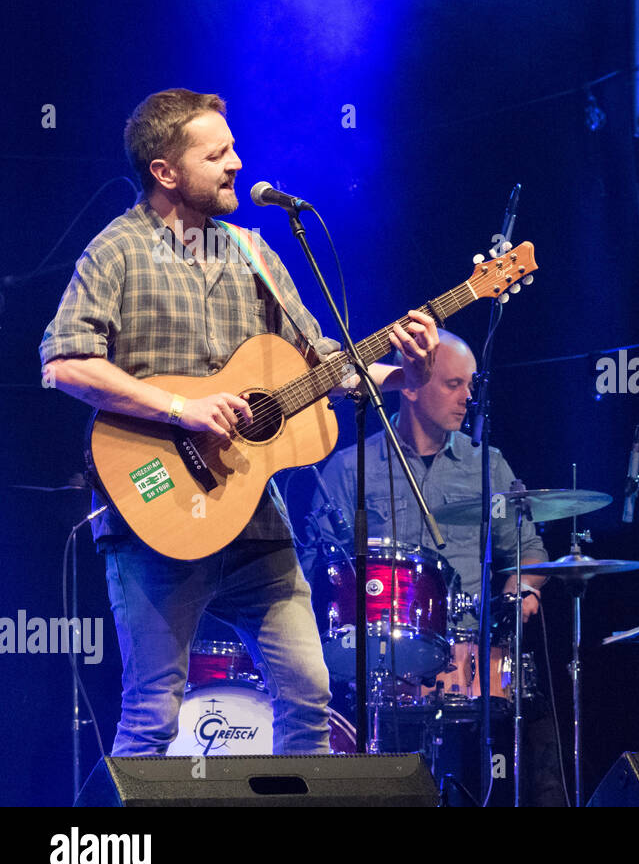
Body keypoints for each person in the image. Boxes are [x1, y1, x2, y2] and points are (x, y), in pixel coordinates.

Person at [39, 88, 438, 756]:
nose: (237, 162)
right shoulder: (117, 252)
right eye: (216, 153)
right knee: (152, 717)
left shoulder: (255, 254)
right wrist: (181, 407)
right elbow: (65, 364)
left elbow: (325, 365)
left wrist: (407, 375)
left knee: (309, 693)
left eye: (233, 148)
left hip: (255, 522)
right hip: (154, 517)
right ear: (165, 171)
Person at [303, 329, 563, 805]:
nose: (468, 398)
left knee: (537, 727)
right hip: (375, 664)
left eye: (470, 384)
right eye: (453, 384)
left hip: (468, 659)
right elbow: (315, 570)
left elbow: (528, 550)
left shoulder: (488, 465)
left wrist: (523, 592)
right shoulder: (349, 468)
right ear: (410, 384)